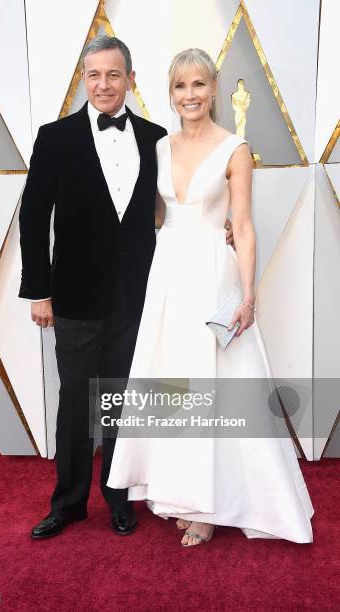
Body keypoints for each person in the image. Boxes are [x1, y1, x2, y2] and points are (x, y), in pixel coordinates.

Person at [19, 35, 237, 539]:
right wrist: (39, 291)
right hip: (72, 296)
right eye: (93, 75)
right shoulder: (54, 138)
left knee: (121, 400)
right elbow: (34, 216)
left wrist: (224, 223)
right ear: (82, 80)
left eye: (113, 74)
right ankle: (69, 503)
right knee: (76, 401)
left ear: (131, 80)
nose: (103, 84)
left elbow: (176, 202)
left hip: (139, 296)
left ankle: (119, 497)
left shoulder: (157, 138)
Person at [107, 48, 314, 546]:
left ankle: (208, 507)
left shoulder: (234, 148)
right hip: (169, 275)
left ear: (215, 88)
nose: (190, 95)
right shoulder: (159, 147)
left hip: (212, 278)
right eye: (181, 86)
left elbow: (241, 225)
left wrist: (247, 295)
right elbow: (159, 215)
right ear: (170, 93)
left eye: (199, 85)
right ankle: (183, 492)